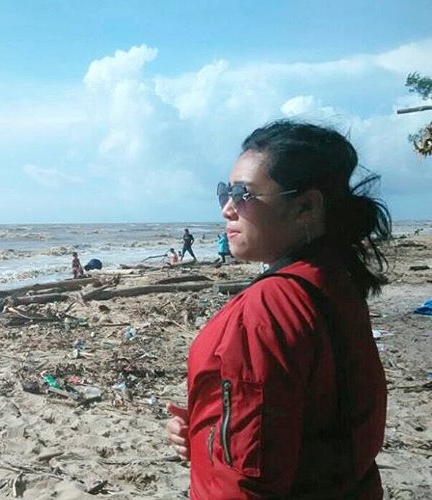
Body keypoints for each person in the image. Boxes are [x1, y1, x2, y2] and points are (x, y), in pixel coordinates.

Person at [165, 120, 391, 498]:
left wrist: (221, 441)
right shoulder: (333, 281)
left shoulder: (268, 308)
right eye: (225, 192)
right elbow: (314, 420)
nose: (227, 209)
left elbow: (248, 482)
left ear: (306, 207)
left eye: (244, 194)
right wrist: (209, 431)